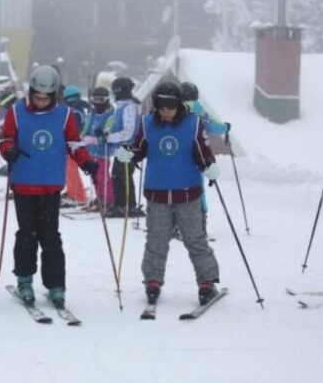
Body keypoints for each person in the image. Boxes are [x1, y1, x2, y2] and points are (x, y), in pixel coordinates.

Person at [0, 65, 98, 308]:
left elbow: (74, 143)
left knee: (51, 238)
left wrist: (86, 161)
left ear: (54, 96)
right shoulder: (17, 111)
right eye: (37, 96)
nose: (41, 102)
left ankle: (56, 285)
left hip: (51, 185)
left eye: (46, 98)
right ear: (31, 91)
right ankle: (24, 279)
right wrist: (8, 151)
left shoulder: (64, 115)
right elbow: (5, 138)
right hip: (24, 184)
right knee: (26, 236)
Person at [117, 81, 221, 306]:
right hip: (157, 193)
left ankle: (207, 281)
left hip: (188, 193)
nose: (166, 113)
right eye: (162, 108)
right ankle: (152, 280)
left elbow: (202, 153)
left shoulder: (194, 125)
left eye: (171, 108)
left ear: (179, 105)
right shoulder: (147, 124)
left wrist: (209, 166)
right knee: (157, 239)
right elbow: (138, 148)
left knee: (195, 238)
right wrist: (127, 153)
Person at [181, 81, 231, 238]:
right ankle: (200, 224)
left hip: (179, 154)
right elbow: (214, 127)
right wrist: (226, 127)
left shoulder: (175, 108)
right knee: (197, 189)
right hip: (199, 154)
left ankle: (176, 225)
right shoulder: (199, 109)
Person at [105, 77, 142, 217]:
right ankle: (123, 205)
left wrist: (110, 137)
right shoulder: (121, 106)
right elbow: (117, 126)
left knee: (122, 176)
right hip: (121, 149)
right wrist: (106, 133)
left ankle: (126, 206)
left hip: (127, 148)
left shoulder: (130, 107)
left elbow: (128, 132)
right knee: (118, 176)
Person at [81, 86, 116, 211]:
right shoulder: (93, 113)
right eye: (94, 99)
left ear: (107, 100)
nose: (97, 102)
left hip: (103, 152)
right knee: (94, 176)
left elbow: (108, 134)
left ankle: (109, 200)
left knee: (102, 177)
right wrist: (83, 138)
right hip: (91, 151)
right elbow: (86, 129)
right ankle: (100, 198)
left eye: (101, 99)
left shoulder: (111, 115)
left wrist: (98, 138)